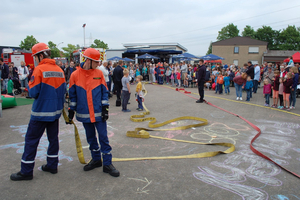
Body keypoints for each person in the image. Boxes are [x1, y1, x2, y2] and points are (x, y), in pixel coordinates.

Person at [10, 43, 66, 181]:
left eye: (35, 56)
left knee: (31, 141)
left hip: (40, 113)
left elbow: (34, 92)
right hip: (55, 113)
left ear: (40, 55)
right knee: (53, 140)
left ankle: (26, 171)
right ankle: (52, 166)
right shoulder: (59, 70)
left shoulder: (39, 70)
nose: (34, 59)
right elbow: (64, 91)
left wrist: (29, 85)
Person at [68, 48, 120, 177]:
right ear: (88, 60)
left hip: (98, 113)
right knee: (91, 138)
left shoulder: (99, 73)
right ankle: (96, 159)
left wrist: (105, 109)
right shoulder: (75, 75)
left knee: (103, 138)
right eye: (96, 61)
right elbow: (72, 96)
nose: (98, 64)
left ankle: (107, 164)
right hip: (84, 113)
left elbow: (104, 92)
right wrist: (71, 111)